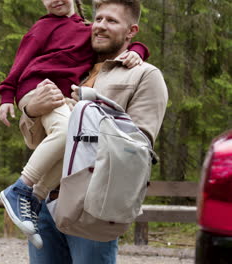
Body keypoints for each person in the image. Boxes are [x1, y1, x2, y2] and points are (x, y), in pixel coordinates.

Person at [21, 0, 169, 263]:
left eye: (111, 21)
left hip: (92, 210)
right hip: (43, 204)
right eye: (98, 19)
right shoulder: (72, 67)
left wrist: (89, 107)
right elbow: (35, 142)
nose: (100, 26)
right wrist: (31, 111)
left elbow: (137, 149)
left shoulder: (145, 75)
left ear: (131, 31)